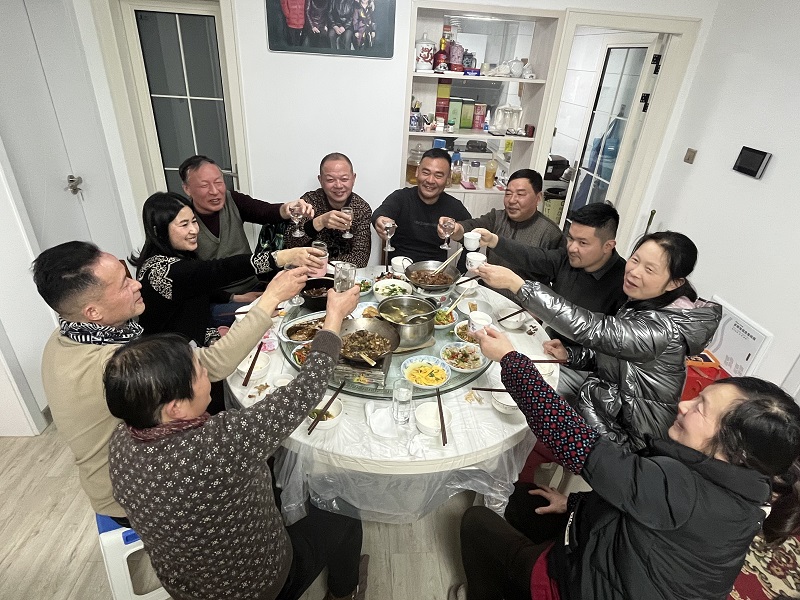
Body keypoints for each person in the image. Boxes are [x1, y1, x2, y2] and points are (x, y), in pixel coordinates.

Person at [455, 326, 800, 600]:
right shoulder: (749, 483)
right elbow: (637, 502)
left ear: (735, 451)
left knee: (475, 522)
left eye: (701, 408)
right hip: (611, 551)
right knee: (521, 501)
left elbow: (572, 438)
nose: (684, 405)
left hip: (584, 588)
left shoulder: (683, 492)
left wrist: (510, 359)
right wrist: (572, 503)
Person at [104, 284, 364, 600]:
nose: (208, 372)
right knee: (345, 509)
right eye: (200, 371)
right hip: (257, 586)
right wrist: (334, 316)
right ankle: (344, 592)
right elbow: (306, 389)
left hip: (185, 587)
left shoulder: (121, 440)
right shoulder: (220, 442)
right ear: (175, 408)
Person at [32, 240, 306, 524]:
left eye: (127, 275)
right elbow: (213, 364)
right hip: (138, 498)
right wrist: (271, 298)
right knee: (258, 459)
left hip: (123, 475)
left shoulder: (63, 337)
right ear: (92, 312)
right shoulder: (118, 366)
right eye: (123, 284)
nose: (136, 284)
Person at [478, 231, 722, 451]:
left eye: (649, 270)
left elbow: (593, 328)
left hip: (632, 438)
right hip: (606, 402)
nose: (634, 272)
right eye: (635, 260)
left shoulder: (663, 330)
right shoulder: (648, 304)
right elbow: (619, 356)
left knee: (522, 397)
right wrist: (572, 355)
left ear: (674, 283)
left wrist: (518, 286)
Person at [472, 202, 627, 395]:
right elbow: (533, 256)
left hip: (582, 368)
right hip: (548, 343)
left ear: (608, 246)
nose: (572, 247)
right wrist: (495, 240)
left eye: (583, 243)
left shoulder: (624, 283)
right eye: (570, 238)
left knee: (517, 391)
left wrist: (570, 354)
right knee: (491, 367)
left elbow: (616, 350)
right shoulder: (568, 258)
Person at [131, 191, 322, 347]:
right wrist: (281, 257)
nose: (194, 230)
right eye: (184, 224)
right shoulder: (162, 270)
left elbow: (197, 290)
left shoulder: (179, 258)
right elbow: (220, 270)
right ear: (158, 231)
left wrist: (232, 299)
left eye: (194, 221)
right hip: (169, 361)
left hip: (193, 341)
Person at [179, 154, 314, 303]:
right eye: (204, 186)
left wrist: (287, 208)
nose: (214, 191)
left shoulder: (232, 200)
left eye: (218, 182)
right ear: (187, 189)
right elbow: (190, 280)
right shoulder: (181, 222)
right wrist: (234, 298)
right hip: (216, 298)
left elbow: (264, 212)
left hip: (252, 285)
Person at [442, 168, 564, 282]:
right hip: (489, 291)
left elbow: (556, 274)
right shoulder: (497, 217)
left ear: (538, 197)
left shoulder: (550, 233)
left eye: (520, 194)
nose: (512, 200)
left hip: (525, 297)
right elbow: (472, 226)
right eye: (508, 194)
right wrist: (456, 229)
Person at [372, 147, 471, 265]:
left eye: (438, 175)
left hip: (435, 272)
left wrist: (460, 271)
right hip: (398, 269)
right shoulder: (401, 197)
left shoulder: (453, 206)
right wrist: (380, 220)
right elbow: (379, 214)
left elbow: (473, 236)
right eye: (426, 173)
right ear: (417, 172)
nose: (430, 180)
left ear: (448, 178)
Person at [284, 152, 372, 267]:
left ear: (353, 179)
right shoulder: (310, 201)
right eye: (330, 180)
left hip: (343, 272)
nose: (338, 185)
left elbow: (361, 258)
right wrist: (319, 222)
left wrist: (325, 265)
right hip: (308, 271)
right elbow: (290, 243)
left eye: (344, 179)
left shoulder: (361, 208)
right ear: (320, 180)